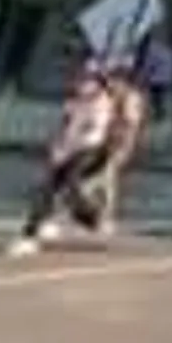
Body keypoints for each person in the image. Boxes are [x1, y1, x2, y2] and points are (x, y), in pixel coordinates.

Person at [12, 68, 119, 255]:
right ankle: (29, 235)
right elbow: (64, 127)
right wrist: (57, 147)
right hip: (69, 150)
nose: (81, 85)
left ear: (98, 84)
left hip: (92, 151)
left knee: (71, 184)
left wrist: (69, 150)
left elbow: (94, 134)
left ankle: (93, 219)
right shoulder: (73, 103)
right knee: (48, 189)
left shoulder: (102, 104)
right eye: (80, 80)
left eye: (87, 81)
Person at [89, 67, 148, 239]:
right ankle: (102, 215)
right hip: (106, 141)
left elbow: (131, 126)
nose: (110, 84)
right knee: (102, 178)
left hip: (120, 143)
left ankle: (106, 218)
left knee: (106, 177)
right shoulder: (110, 94)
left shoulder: (131, 98)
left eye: (113, 80)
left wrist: (125, 147)